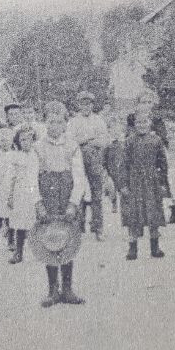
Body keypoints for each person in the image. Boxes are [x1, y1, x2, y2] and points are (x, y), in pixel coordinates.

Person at [33, 101, 87, 306]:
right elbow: (31, 177)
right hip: (47, 194)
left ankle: (68, 289)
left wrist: (74, 202)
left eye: (59, 122)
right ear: (45, 123)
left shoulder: (72, 146)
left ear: (65, 124)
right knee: (49, 239)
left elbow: (79, 177)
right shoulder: (38, 147)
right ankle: (52, 290)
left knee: (68, 239)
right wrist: (37, 202)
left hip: (66, 193)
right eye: (50, 121)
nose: (54, 126)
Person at [119, 107, 169, 260]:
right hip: (134, 183)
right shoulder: (129, 141)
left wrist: (162, 183)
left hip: (152, 182)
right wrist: (123, 185)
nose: (142, 125)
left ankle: (155, 247)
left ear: (150, 123)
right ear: (134, 124)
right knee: (133, 215)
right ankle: (132, 248)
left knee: (153, 214)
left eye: (145, 122)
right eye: (138, 122)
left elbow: (163, 164)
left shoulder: (156, 140)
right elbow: (123, 165)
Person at [66, 91, 113, 241]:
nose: (86, 106)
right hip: (78, 159)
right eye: (83, 104)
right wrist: (88, 139)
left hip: (95, 158)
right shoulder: (73, 122)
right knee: (77, 192)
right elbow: (70, 142)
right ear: (78, 105)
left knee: (97, 194)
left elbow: (105, 140)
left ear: (92, 105)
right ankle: (78, 227)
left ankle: (98, 228)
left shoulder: (99, 120)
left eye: (89, 103)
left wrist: (89, 142)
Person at [5, 125, 41, 263]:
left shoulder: (37, 155)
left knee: (36, 221)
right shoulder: (15, 157)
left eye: (29, 139)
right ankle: (18, 252)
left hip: (35, 191)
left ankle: (40, 251)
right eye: (22, 139)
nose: (26, 142)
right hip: (21, 191)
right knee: (20, 222)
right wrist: (10, 195)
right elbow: (12, 177)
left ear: (33, 140)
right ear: (18, 141)